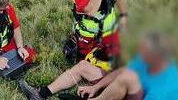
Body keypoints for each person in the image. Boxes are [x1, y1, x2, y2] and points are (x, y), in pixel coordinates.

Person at [20, 31, 178, 100]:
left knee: (127, 77)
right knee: (83, 66)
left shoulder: (164, 87)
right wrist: (95, 88)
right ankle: (42, 94)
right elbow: (123, 69)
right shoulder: (146, 58)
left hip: (134, 93)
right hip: (125, 89)